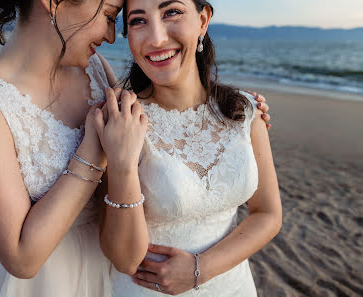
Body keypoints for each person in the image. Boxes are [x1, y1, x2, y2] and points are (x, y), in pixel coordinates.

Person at [0, 0, 271, 296]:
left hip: (111, 272)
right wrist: (95, 149)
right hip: (45, 282)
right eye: (109, 17)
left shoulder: (92, 67)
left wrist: (235, 112)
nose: (111, 35)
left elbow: (141, 130)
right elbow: (21, 259)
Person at [96, 0, 282, 296]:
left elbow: (268, 215)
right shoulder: (120, 120)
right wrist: (122, 163)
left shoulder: (246, 111)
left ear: (203, 20)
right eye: (138, 21)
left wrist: (200, 269)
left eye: (172, 12)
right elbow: (123, 258)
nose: (156, 38)